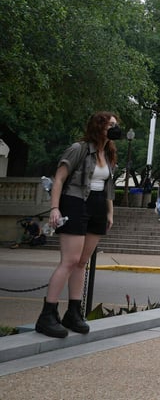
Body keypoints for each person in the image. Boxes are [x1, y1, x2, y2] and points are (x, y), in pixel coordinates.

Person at [35, 111, 120, 338]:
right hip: (75, 201)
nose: (114, 128)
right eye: (110, 124)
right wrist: (55, 208)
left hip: (98, 205)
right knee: (70, 260)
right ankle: (47, 314)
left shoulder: (108, 152)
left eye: (116, 125)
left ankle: (73, 311)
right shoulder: (79, 148)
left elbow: (108, 186)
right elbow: (59, 178)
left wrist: (109, 212)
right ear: (99, 126)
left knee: (82, 262)